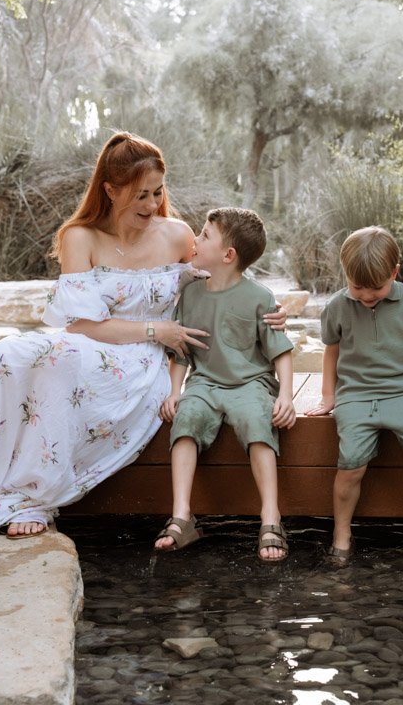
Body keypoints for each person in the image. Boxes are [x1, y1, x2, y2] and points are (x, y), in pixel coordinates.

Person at [0, 132, 213, 541]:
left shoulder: (177, 234)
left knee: (61, 360)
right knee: (10, 353)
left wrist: (265, 312)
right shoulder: (80, 237)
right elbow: (81, 325)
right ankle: (8, 484)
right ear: (110, 189)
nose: (152, 204)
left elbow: (219, 282)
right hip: (95, 344)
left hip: (143, 363)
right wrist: (157, 327)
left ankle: (36, 496)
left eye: (157, 192)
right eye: (140, 195)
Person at [305, 227, 403, 566]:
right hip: (356, 396)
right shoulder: (337, 306)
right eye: (357, 287)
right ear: (346, 275)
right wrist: (328, 396)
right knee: (350, 465)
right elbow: (330, 351)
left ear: (394, 271)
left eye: (376, 287)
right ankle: (342, 533)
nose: (367, 295)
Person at [155, 207, 297, 562]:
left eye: (204, 235)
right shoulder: (190, 294)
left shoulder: (260, 297)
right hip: (204, 383)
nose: (196, 240)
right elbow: (181, 352)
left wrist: (287, 396)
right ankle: (182, 515)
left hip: (249, 383)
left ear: (227, 255)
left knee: (256, 422)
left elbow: (280, 351)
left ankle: (270, 517)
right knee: (185, 419)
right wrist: (175, 391)